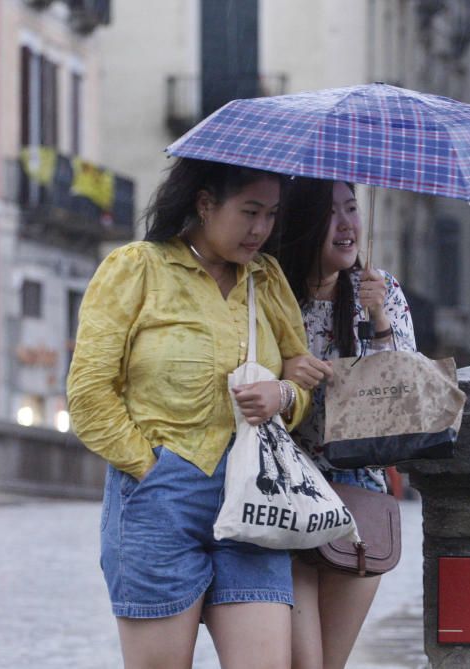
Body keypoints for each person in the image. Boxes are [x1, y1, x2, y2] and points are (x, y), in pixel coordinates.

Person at [67, 158, 313, 669]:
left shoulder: (265, 279)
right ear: (204, 203)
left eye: (270, 214)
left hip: (254, 496)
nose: (261, 229)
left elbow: (302, 376)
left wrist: (283, 397)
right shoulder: (137, 268)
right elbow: (89, 393)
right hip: (161, 497)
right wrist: (149, 469)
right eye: (249, 212)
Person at [271, 178, 416, 669]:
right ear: (301, 223)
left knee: (329, 662)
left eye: (351, 208)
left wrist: (377, 317)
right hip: (286, 489)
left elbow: (403, 397)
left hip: (358, 496)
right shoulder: (271, 291)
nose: (346, 224)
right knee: (302, 661)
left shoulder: (382, 291)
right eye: (330, 212)